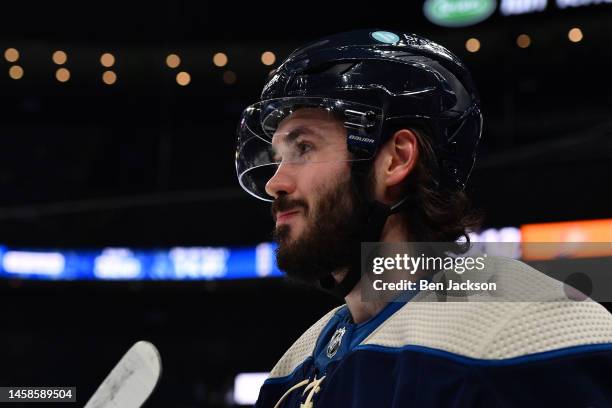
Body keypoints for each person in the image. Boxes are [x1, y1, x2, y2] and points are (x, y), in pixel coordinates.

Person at [235, 29, 612, 407]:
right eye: (279, 154)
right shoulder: (294, 366)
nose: (275, 182)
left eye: (304, 147)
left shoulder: (522, 331)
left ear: (397, 159)